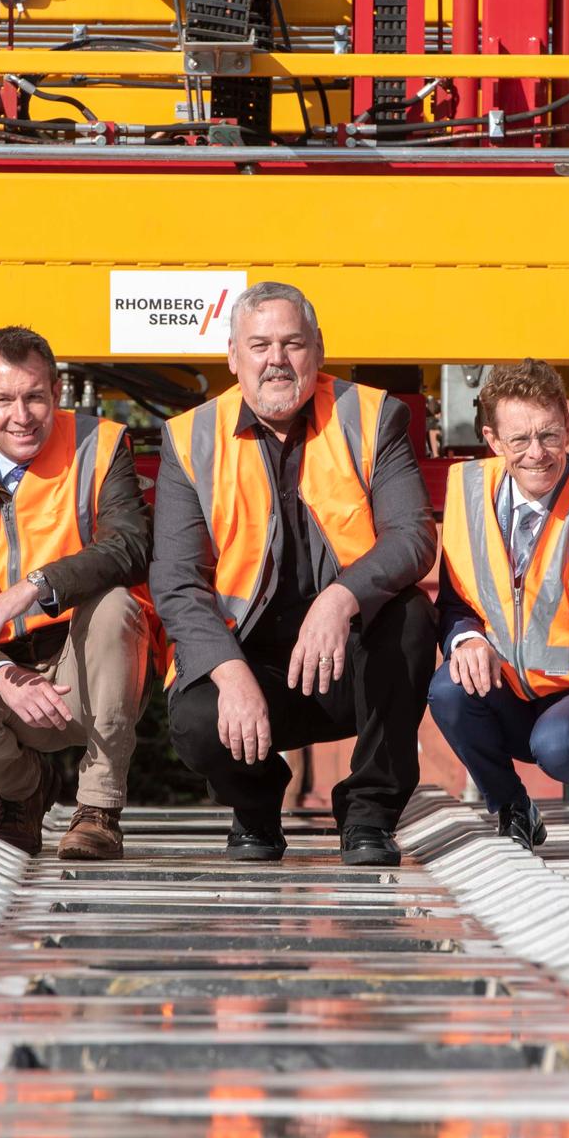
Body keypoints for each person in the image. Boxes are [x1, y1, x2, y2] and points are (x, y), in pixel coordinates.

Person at [152, 282, 438, 866]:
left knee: (411, 615)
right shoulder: (188, 439)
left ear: (319, 351)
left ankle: (368, 816)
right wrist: (230, 675)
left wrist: (340, 599)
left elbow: (413, 537)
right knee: (194, 719)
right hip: (249, 663)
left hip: (346, 662)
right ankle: (256, 811)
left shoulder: (374, 416)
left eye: (292, 343)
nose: (275, 360)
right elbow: (178, 582)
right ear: (233, 357)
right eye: (258, 345)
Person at [0, 327, 151, 860]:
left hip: (90, 671)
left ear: (56, 392)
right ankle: (25, 792)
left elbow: (131, 546)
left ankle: (99, 808)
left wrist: (34, 588)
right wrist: (0, 674)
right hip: (8, 683)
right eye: (2, 399)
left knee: (116, 606)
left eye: (34, 396)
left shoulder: (101, 444)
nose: (21, 415)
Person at [428, 359, 569, 860]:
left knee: (557, 742)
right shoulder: (467, 491)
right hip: (510, 689)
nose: (538, 454)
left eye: (550, 435)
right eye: (520, 440)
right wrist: (467, 638)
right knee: (447, 690)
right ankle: (513, 809)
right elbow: (454, 603)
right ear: (492, 439)